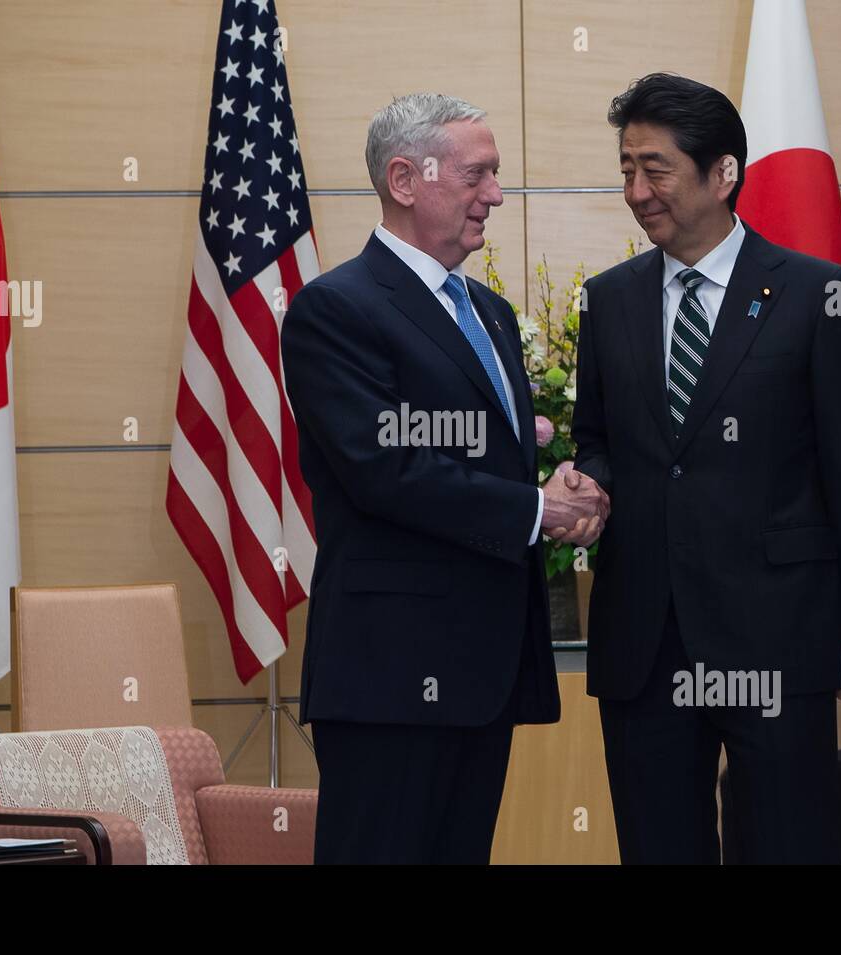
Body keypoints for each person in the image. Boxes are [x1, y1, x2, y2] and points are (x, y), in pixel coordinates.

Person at [571, 73, 841, 863]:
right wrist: (590, 482)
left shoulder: (820, 296)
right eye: (625, 169)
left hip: (779, 634)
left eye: (656, 169)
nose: (637, 191)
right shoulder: (606, 299)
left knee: (785, 844)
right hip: (645, 639)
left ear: (723, 174)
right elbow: (597, 436)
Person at [281, 93, 607, 864]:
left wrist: (559, 480)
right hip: (391, 672)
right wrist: (538, 509)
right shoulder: (337, 309)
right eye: (478, 174)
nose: (495, 194)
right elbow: (384, 470)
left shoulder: (488, 311)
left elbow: (475, 458)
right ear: (405, 178)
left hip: (482, 669)